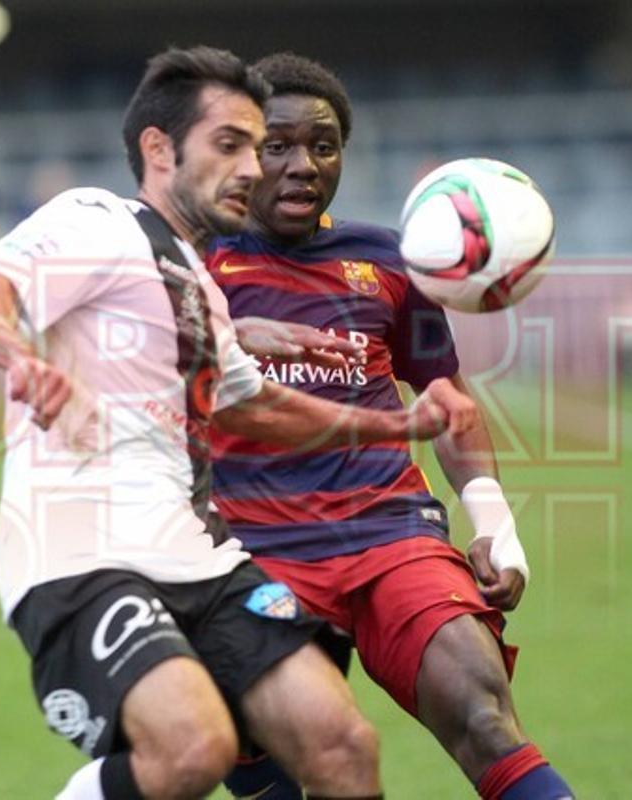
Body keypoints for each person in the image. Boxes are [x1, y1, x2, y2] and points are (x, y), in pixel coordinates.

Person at [0, 46, 476, 800]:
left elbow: (258, 405)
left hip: (203, 557)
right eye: (230, 145)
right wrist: (19, 359)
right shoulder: (95, 220)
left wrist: (402, 425)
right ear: (159, 149)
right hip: (83, 559)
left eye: (256, 147)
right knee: (195, 750)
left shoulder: (200, 283)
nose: (254, 167)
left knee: (342, 746)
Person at [207, 53, 575, 800]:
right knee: (276, 757)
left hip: (388, 532)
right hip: (253, 545)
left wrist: (495, 522)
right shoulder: (193, 264)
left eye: (323, 145)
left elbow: (446, 399)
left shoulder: (393, 261)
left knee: (481, 712)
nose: (303, 165)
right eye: (277, 145)